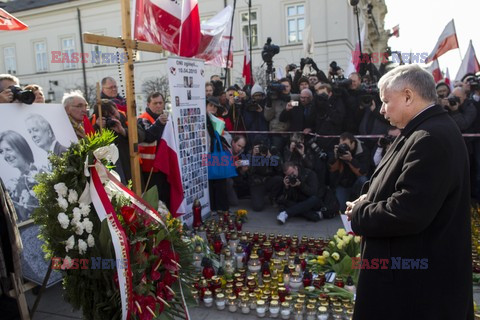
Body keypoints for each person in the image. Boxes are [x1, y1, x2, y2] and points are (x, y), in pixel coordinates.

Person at [346, 64, 473, 319]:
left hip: (414, 290)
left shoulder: (430, 137)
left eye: (385, 101)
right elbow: (395, 181)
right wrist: (368, 196)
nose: (381, 109)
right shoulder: (420, 130)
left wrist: (361, 212)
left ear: (407, 96)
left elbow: (407, 212)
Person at [137, 92, 169, 207]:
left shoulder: (167, 118)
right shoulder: (142, 119)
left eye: (160, 103)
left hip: (164, 166)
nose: (158, 106)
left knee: (166, 196)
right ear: (148, 104)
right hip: (150, 168)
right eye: (155, 103)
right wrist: (159, 123)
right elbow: (148, 136)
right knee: (154, 200)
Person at [0, 130, 39, 222]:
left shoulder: (40, 175)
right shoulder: (13, 185)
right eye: (1, 151)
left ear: (21, 147)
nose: (5, 156)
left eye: (8, 150)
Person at [328, 132, 369, 213]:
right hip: (343, 184)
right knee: (342, 209)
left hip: (356, 183)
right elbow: (331, 169)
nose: (343, 147)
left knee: (363, 180)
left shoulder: (362, 151)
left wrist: (351, 160)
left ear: (353, 143)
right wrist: (335, 157)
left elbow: (363, 172)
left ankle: (360, 204)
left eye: (345, 144)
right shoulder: (338, 151)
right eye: (341, 144)